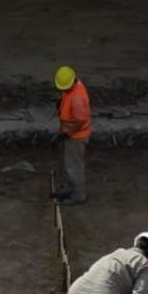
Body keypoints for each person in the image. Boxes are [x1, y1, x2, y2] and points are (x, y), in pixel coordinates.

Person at [52, 64, 90, 205]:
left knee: (73, 166)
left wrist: (68, 133)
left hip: (76, 136)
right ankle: (67, 187)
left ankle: (78, 195)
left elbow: (80, 120)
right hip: (69, 131)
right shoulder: (73, 87)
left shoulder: (77, 98)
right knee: (65, 162)